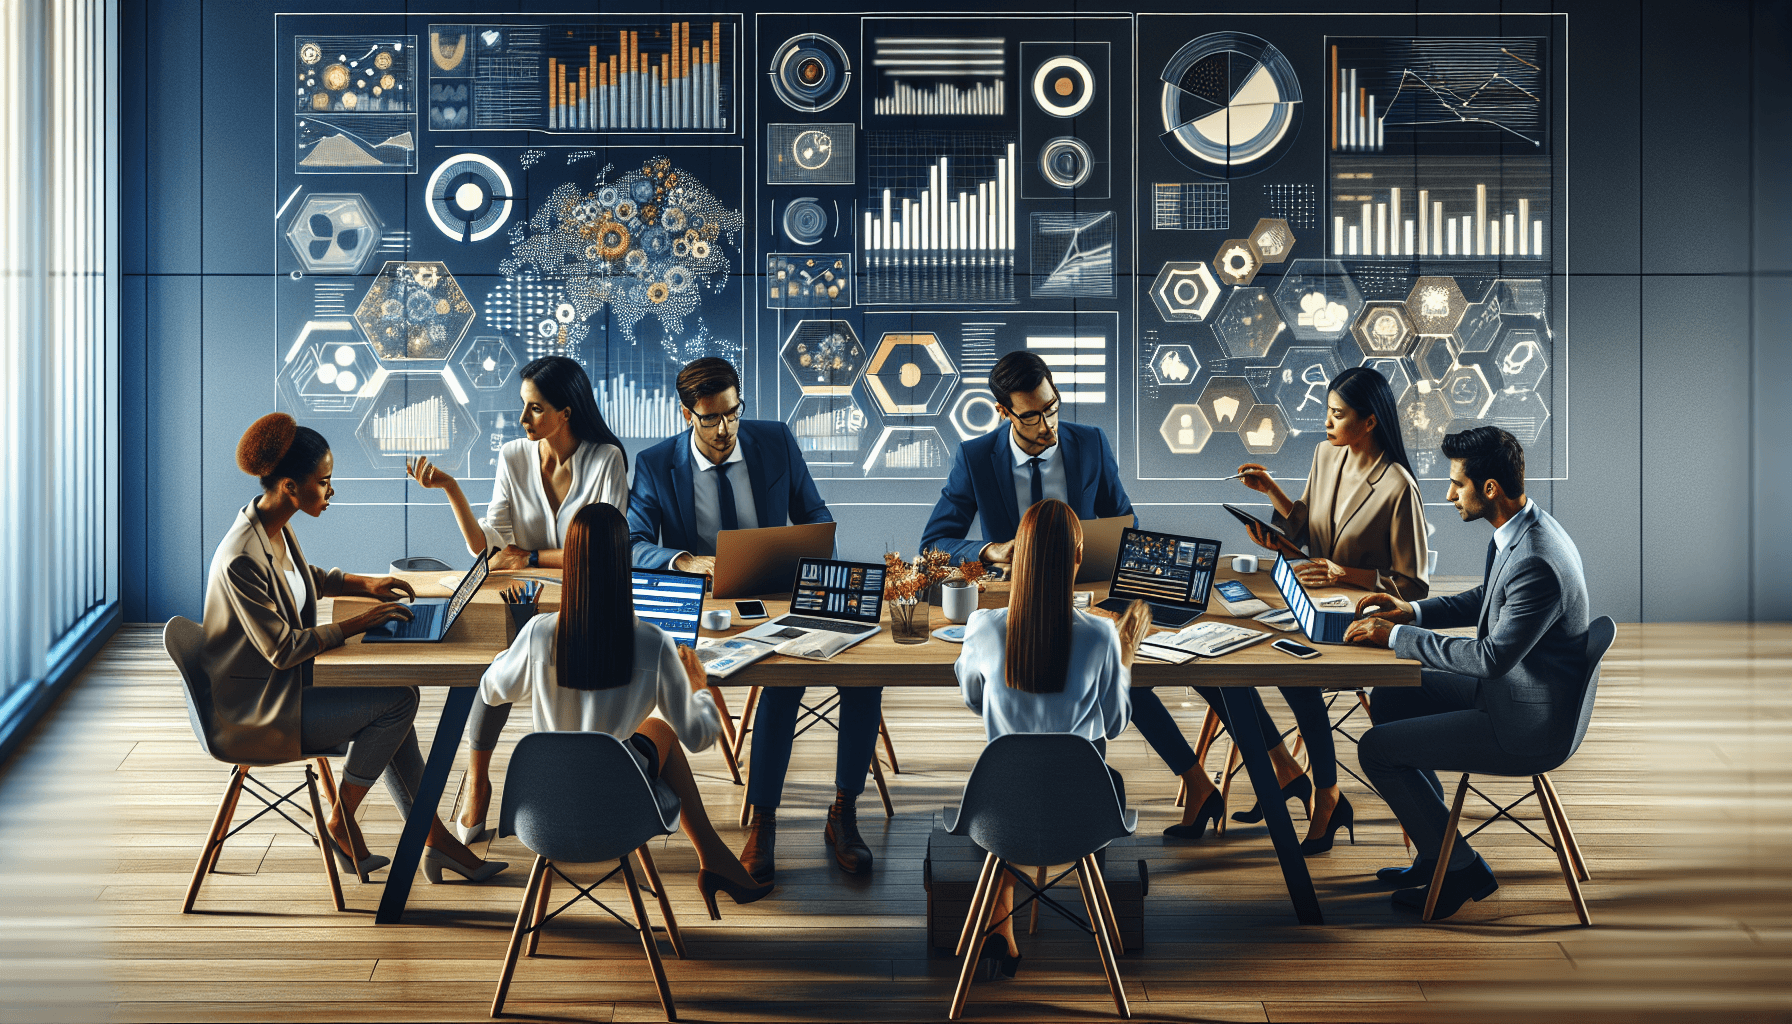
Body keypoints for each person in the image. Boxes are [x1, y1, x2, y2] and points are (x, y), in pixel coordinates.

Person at [1132, 367, 1431, 850]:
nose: (1327, 424)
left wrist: (1344, 574)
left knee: (1296, 670)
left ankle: (1327, 792)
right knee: (1216, 655)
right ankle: (1286, 770)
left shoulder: (1397, 486)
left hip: (1356, 622)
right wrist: (1272, 496)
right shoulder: (1326, 455)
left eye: (1337, 414)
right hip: (1302, 598)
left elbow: (1412, 585)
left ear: (1371, 422)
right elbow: (1308, 532)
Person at [201, 413, 505, 884]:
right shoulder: (241, 557)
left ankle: (435, 840)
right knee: (399, 700)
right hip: (259, 711)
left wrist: (366, 584)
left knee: (395, 698)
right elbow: (282, 650)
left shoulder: (271, 527)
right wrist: (361, 622)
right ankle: (344, 819)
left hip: (286, 690)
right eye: (324, 482)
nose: (331, 492)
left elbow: (306, 579)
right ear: (289, 486)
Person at [626, 358, 871, 880]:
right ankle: (764, 820)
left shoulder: (776, 440)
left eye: (733, 416)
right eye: (710, 419)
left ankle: (843, 811)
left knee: (863, 679)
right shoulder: (653, 464)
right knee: (785, 678)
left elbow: (815, 517)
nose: (724, 430)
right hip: (710, 611)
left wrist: (816, 572)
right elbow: (632, 543)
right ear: (685, 414)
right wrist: (685, 561)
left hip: (784, 596)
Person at [475, 504, 772, 918]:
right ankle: (715, 860)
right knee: (660, 731)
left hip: (542, 817)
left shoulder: (539, 634)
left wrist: (513, 649)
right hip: (621, 817)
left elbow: (491, 690)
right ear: (623, 562)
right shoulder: (653, 643)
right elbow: (700, 737)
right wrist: (700, 688)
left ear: (570, 560)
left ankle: (717, 861)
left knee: (647, 736)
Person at [1347, 426, 1589, 920]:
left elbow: (1490, 658)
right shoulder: (1521, 530)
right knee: (1391, 698)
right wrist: (1410, 613)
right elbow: (1488, 599)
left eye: (1457, 483)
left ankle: (1458, 869)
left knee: (1375, 750)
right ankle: (1437, 851)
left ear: (1490, 488)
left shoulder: (1537, 560)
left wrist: (1395, 640)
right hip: (1517, 691)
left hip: (1526, 723)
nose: (1449, 493)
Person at [405, 355, 630, 843]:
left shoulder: (606, 459)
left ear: (566, 412)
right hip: (523, 599)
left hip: (588, 600)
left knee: (535, 662)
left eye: (534, 408)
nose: (523, 419)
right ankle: (478, 782)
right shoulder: (513, 456)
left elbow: (603, 548)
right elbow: (489, 548)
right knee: (498, 662)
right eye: (522, 408)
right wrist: (450, 489)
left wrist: (528, 557)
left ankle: (578, 782)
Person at [955, 500, 1149, 976]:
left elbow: (974, 701)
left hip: (999, 815)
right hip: (1080, 816)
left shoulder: (983, 626)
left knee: (1006, 782)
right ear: (1077, 559)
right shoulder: (1102, 635)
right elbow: (1114, 725)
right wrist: (1124, 658)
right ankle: (1094, 920)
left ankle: (1000, 922)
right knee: (1100, 772)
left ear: (1016, 558)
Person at [921, 351, 1134, 569]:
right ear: (1003, 411)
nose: (1047, 426)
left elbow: (1126, 526)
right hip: (1010, 594)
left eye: (1051, 407)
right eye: (1030, 417)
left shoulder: (1091, 443)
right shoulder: (976, 458)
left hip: (1079, 589)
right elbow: (933, 544)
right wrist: (991, 550)